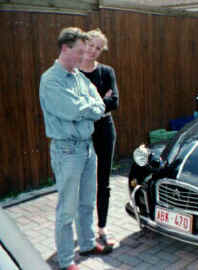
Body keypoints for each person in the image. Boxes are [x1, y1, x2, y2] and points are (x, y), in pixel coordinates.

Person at [39, 27, 112, 270]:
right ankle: (66, 260)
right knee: (67, 208)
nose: (84, 57)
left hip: (87, 148)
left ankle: (88, 243)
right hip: (67, 150)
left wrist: (89, 106)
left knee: (86, 201)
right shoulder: (51, 80)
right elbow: (72, 111)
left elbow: (99, 104)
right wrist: (89, 107)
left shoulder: (79, 76)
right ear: (65, 49)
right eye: (79, 52)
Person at [79, 29, 119, 247]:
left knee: (103, 181)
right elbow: (73, 108)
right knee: (83, 182)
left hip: (104, 130)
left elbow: (116, 102)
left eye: (98, 48)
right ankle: (84, 230)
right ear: (84, 44)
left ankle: (102, 226)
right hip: (81, 132)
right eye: (91, 45)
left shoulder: (106, 72)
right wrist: (101, 104)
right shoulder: (74, 73)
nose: (93, 51)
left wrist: (89, 108)